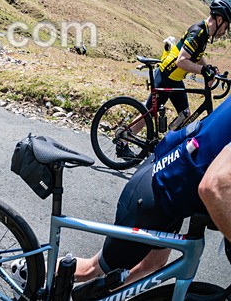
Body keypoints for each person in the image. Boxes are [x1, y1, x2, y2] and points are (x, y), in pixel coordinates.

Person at [70, 96, 231, 300]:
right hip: (154, 193)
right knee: (91, 269)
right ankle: (28, 274)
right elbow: (214, 187)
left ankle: (98, 294)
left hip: (175, 191)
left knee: (153, 265)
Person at [131, 0, 231, 154]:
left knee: (185, 115)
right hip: (167, 75)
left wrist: (208, 68)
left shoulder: (204, 33)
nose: (225, 31)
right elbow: (182, 61)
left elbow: (196, 56)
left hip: (176, 79)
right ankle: (123, 140)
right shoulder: (198, 32)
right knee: (148, 114)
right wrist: (203, 71)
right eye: (226, 25)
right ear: (219, 20)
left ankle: (165, 146)